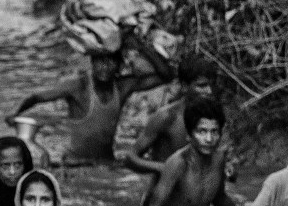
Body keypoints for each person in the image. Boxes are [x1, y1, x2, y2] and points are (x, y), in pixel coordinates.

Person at [10, 46, 174, 163]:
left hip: (107, 162)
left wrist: (140, 45)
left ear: (119, 65)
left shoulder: (122, 87)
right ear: (91, 63)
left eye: (111, 61)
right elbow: (37, 97)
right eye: (99, 61)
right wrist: (16, 114)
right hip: (76, 163)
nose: (105, 66)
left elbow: (166, 76)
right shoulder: (79, 86)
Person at [147, 96, 263, 206]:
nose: (209, 139)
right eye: (202, 131)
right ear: (189, 134)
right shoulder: (177, 163)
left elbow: (219, 198)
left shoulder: (219, 159)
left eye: (214, 132)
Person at [123, 55, 224, 177]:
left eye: (211, 85)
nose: (209, 91)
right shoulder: (167, 116)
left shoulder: (211, 117)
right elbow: (130, 158)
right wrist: (164, 168)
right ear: (185, 86)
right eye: (202, 86)